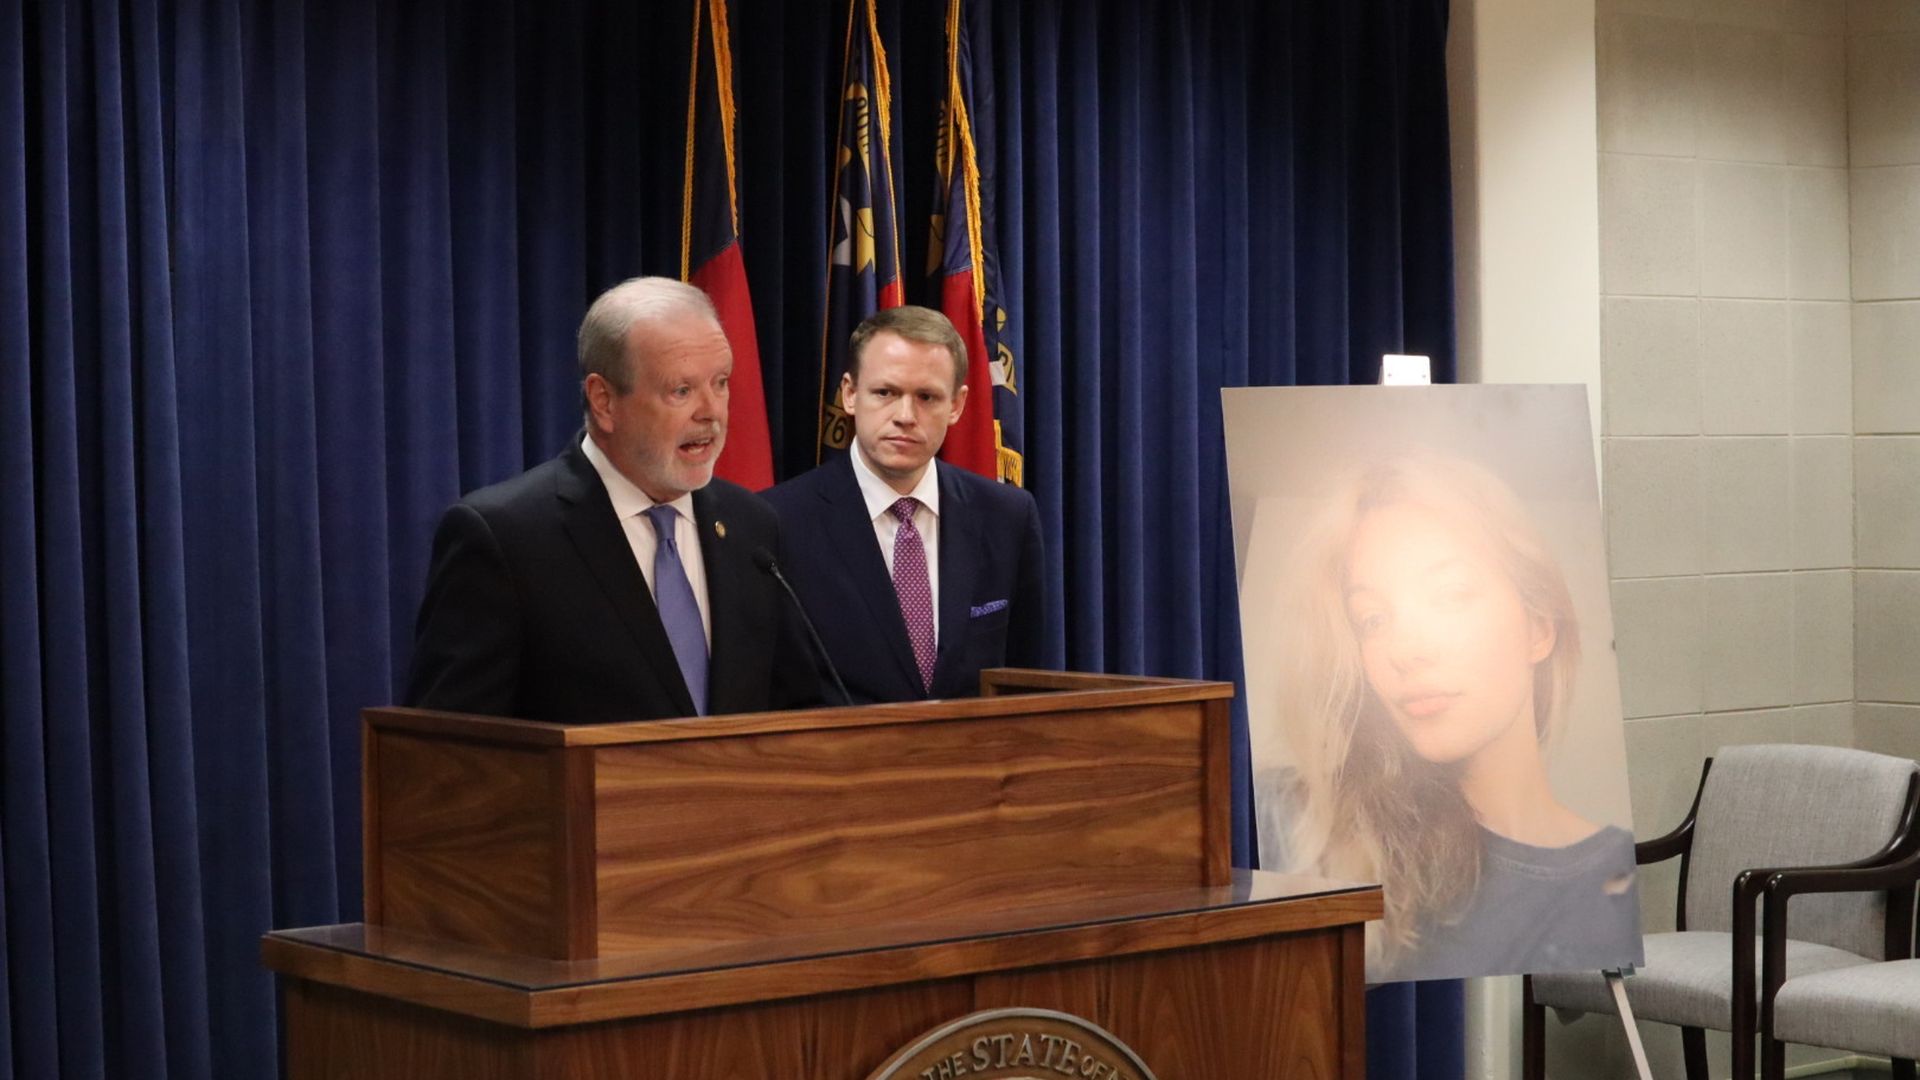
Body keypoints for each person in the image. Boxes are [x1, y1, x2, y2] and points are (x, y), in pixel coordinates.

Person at [1254, 452, 1638, 982]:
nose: (1406, 650)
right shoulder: (1294, 820)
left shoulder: (1611, 874)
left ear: (1538, 629)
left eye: (1451, 595)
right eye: (1373, 619)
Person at [404, 277, 818, 723]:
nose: (711, 411)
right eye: (681, 391)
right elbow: (448, 746)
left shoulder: (751, 526)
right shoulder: (506, 537)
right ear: (603, 401)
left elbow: (797, 710)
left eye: (720, 383)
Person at [763, 306, 1045, 704]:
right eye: (886, 393)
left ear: (957, 404)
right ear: (849, 394)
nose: (905, 416)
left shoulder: (1007, 516)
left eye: (927, 397)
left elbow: (1025, 682)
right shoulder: (777, 521)